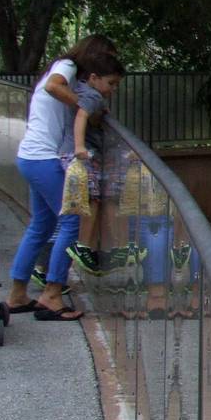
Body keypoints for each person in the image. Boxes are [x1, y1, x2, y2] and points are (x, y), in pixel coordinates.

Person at [5, 35, 121, 322]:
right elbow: (52, 86)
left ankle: (17, 295)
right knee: (71, 221)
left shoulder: (70, 73)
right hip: (45, 158)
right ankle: (52, 295)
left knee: (42, 225)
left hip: (32, 156)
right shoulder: (67, 66)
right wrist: (86, 107)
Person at [59, 54, 126, 275]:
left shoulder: (80, 89)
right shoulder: (93, 96)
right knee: (92, 198)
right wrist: (80, 147)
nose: (113, 89)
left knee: (92, 197)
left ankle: (86, 246)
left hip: (72, 153)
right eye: (111, 83)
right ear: (94, 78)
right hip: (80, 154)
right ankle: (83, 246)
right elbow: (81, 116)